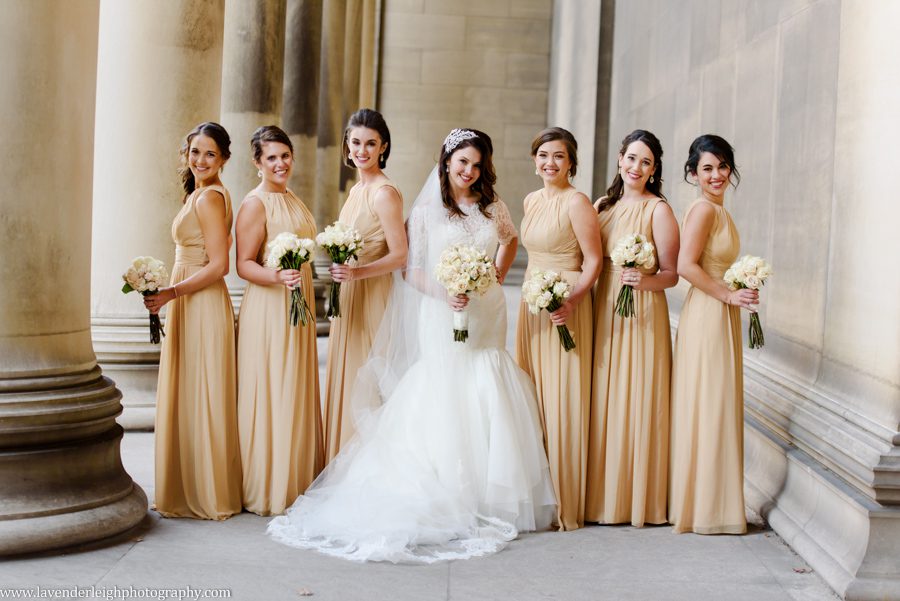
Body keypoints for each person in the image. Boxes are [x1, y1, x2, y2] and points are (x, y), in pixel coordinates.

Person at [268, 128, 556, 563]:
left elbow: (510, 240)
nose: (469, 171)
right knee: (442, 384)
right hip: (441, 311)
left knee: (485, 380)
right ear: (446, 162)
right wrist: (446, 293)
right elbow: (411, 270)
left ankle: (488, 489)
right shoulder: (424, 212)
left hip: (485, 313)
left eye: (477, 164)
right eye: (462, 162)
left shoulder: (493, 206)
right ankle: (445, 483)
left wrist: (494, 274)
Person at [145, 122, 242, 519]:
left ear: (224, 160)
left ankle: (206, 491)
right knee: (193, 390)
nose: (200, 160)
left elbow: (219, 265)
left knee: (203, 392)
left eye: (210, 154)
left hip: (199, 301)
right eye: (195, 152)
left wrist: (171, 293)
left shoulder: (209, 199)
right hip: (190, 298)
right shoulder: (199, 193)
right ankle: (193, 484)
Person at [585, 129, 679, 527]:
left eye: (646, 162)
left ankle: (636, 498)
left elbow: (673, 274)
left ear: (654, 170)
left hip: (640, 313)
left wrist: (645, 280)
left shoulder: (659, 211)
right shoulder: (602, 205)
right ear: (620, 159)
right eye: (631, 158)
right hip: (603, 305)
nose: (636, 167)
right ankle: (600, 497)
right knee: (604, 398)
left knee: (637, 396)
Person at [515, 127, 602, 531]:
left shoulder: (578, 202)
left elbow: (593, 261)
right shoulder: (532, 200)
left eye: (559, 157)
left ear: (571, 163)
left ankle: (567, 498)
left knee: (562, 398)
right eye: (543, 155)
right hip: (532, 305)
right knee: (533, 396)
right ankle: (539, 494)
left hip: (565, 304)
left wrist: (572, 300)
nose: (550, 163)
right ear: (535, 160)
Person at [234, 125, 324, 516]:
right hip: (270, 306)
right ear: (257, 163)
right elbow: (243, 265)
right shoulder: (255, 204)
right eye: (271, 157)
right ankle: (267, 482)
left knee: (294, 382)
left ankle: (295, 477)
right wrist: (277, 276)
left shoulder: (292, 198)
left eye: (284, 155)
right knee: (272, 384)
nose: (280, 163)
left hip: (298, 304)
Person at [669, 134, 755, 534]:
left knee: (714, 402)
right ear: (693, 174)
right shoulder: (703, 210)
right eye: (708, 168)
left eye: (723, 166)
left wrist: (739, 286)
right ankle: (706, 509)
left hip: (718, 311)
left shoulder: (719, 211)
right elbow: (685, 266)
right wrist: (727, 294)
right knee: (710, 402)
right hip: (708, 313)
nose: (717, 174)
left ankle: (710, 504)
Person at [323, 108, 407, 463]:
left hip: (373, 294)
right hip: (351, 292)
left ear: (383, 147)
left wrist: (357, 273)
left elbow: (400, 255)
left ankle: (367, 466)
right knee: (348, 373)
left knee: (367, 379)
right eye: (355, 142)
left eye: (370, 144)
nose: (362, 150)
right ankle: (342, 457)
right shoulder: (358, 188)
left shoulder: (384, 193)